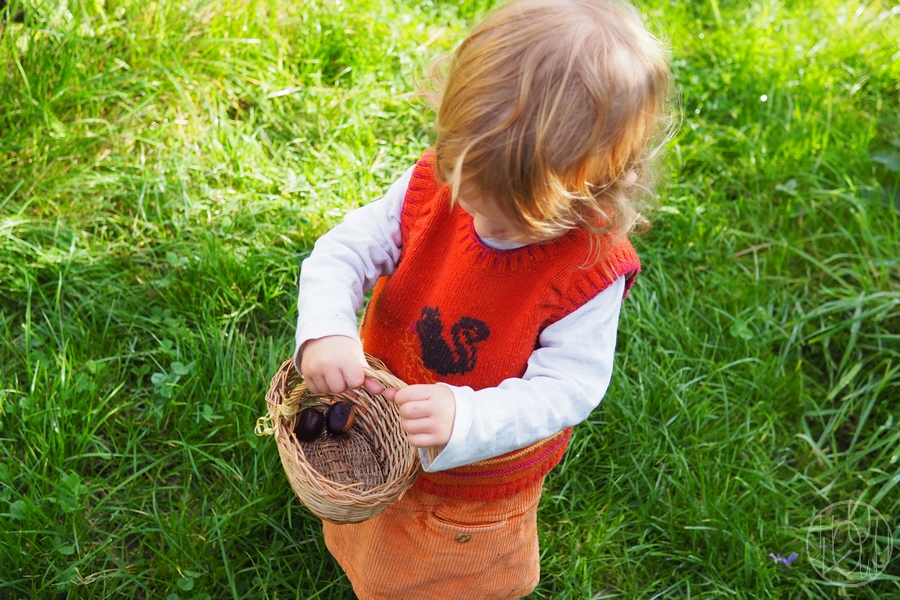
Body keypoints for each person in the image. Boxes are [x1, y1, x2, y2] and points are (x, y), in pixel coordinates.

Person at [293, 0, 674, 597]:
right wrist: (325, 328)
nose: (478, 223)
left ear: (588, 193)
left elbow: (569, 388)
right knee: (378, 536)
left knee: (449, 574)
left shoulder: (586, 269)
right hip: (382, 425)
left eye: (513, 221)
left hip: (474, 484)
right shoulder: (440, 183)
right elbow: (344, 252)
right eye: (469, 199)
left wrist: (465, 419)